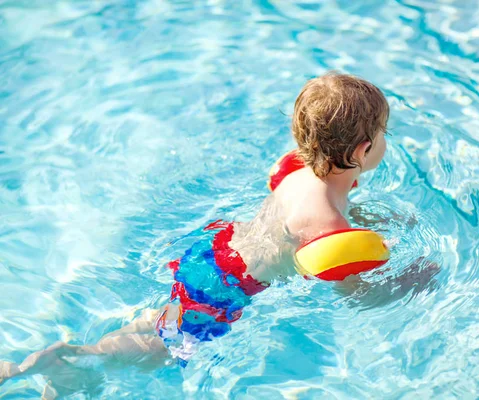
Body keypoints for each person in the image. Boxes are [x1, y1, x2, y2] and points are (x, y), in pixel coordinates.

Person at [1, 72, 427, 397]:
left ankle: (68, 359)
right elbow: (356, 293)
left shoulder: (298, 173)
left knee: (163, 318)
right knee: (171, 349)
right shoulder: (327, 225)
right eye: (383, 134)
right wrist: (412, 281)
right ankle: (84, 360)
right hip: (229, 287)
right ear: (361, 152)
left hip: (214, 250)